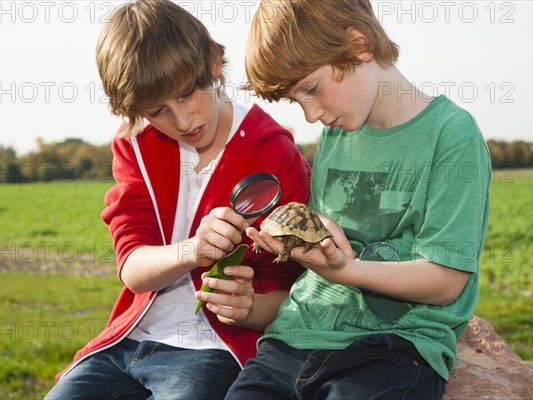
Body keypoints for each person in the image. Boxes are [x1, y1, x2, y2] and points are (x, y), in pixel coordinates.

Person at [45, 0, 311, 399]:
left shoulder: (274, 153)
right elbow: (132, 266)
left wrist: (248, 305)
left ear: (213, 61)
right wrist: (191, 250)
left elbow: (296, 293)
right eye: (157, 110)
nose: (183, 122)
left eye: (188, 93)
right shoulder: (135, 143)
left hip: (212, 349)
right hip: (128, 340)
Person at [226, 0, 491, 399]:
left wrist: (345, 270)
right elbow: (330, 241)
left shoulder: (450, 135)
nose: (310, 115)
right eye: (297, 100)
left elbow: (445, 281)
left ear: (358, 44)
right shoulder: (336, 133)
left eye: (311, 90)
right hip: (293, 338)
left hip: (392, 349)